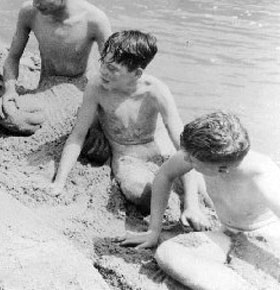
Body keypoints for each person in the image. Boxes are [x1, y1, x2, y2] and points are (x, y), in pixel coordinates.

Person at [47, 31, 205, 223]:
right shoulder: (96, 87)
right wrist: (59, 181)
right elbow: (77, 135)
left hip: (161, 151)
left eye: (113, 69)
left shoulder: (156, 90)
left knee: (203, 185)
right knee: (140, 193)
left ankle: (194, 205)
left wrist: (192, 205)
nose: (104, 71)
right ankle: (171, 205)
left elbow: (183, 145)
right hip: (128, 156)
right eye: (103, 63)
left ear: (136, 73)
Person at [119, 111, 280, 290]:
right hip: (229, 234)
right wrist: (153, 230)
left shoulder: (263, 175)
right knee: (167, 253)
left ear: (222, 169)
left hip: (264, 241)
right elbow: (165, 175)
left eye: (191, 159)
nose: (184, 159)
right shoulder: (205, 156)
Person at [0, 0, 110, 124]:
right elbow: (12, 57)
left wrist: (100, 113)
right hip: (47, 87)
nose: (35, 2)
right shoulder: (29, 13)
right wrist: (10, 90)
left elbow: (112, 70)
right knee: (6, 113)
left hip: (80, 91)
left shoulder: (94, 19)